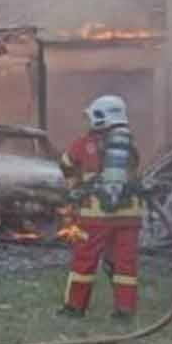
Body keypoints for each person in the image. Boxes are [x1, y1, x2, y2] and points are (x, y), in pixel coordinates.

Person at [58, 95, 143, 319]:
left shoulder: (85, 143)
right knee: (125, 264)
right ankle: (125, 310)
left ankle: (74, 308)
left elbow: (65, 162)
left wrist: (74, 186)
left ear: (99, 118)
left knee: (84, 260)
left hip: (95, 215)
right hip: (129, 216)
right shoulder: (129, 144)